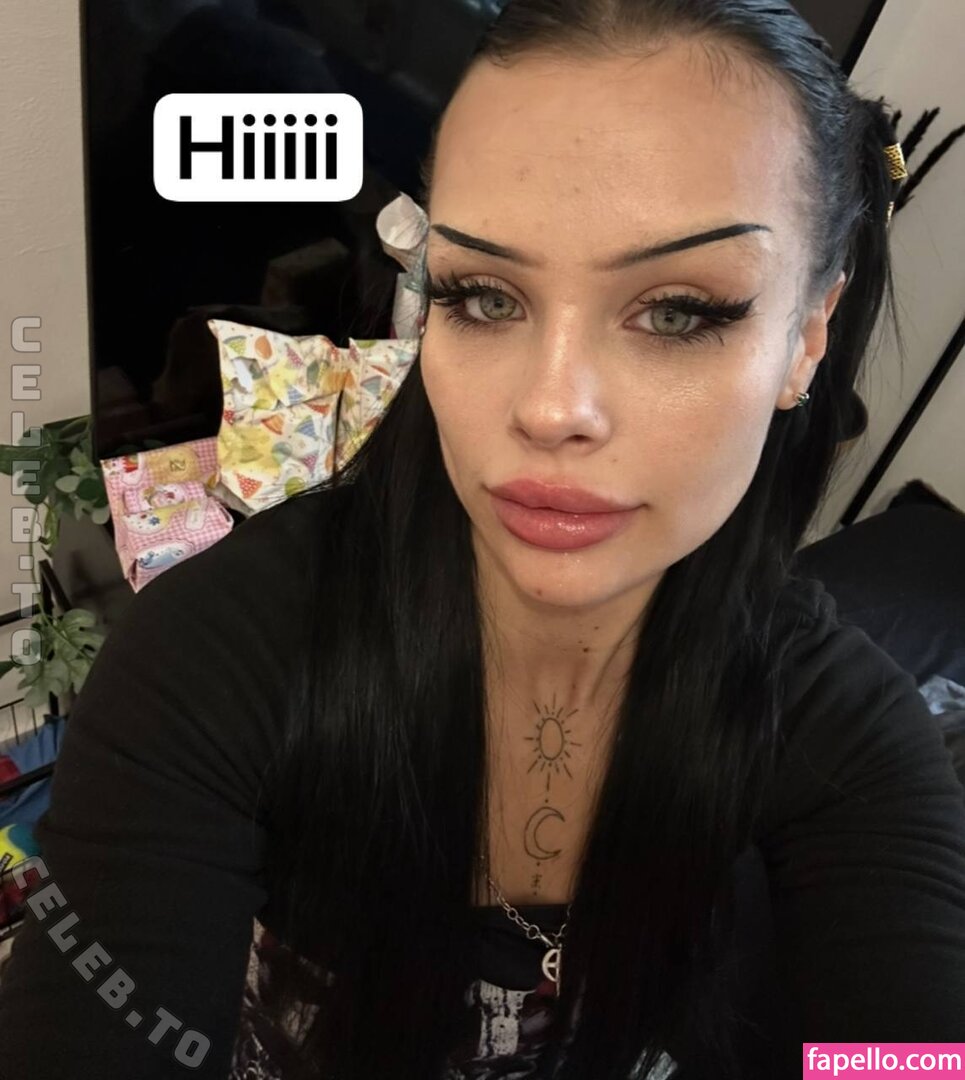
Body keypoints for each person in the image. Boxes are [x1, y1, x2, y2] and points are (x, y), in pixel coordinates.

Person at [2, 1, 964, 1078]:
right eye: (484, 296)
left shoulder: (849, 743)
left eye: (677, 311)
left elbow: (900, 1055)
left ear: (807, 338)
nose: (550, 409)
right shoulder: (212, 659)